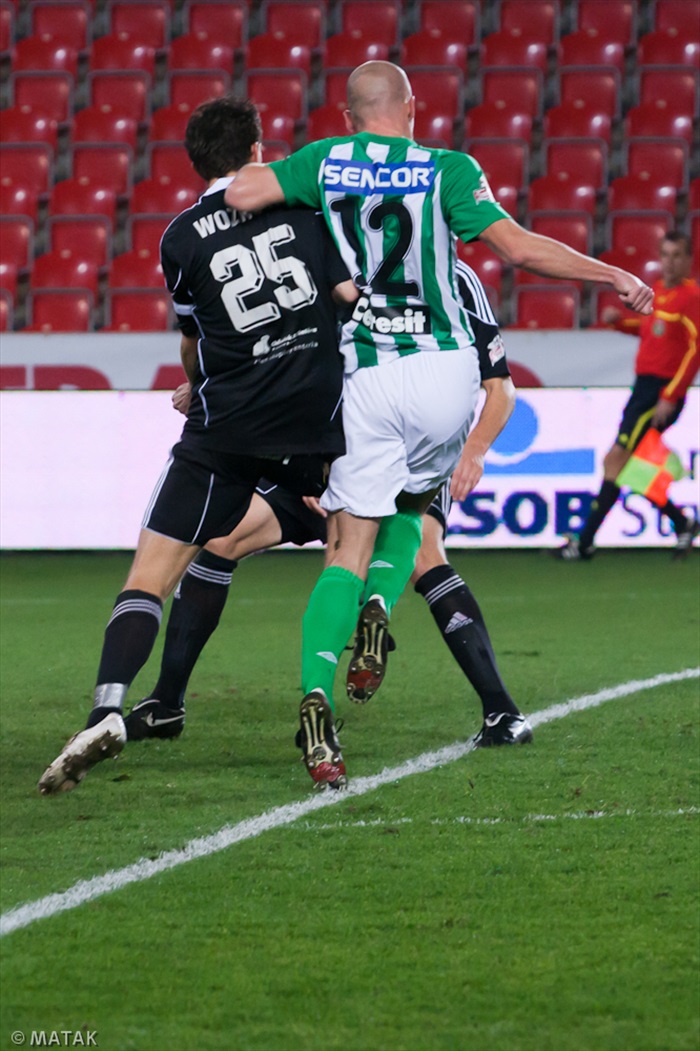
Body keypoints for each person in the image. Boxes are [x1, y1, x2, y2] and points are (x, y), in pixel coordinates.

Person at [225, 61, 653, 789]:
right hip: (444, 373)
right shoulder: (448, 169)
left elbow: (241, 193)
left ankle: (318, 696)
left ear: (349, 115)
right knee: (416, 510)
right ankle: (379, 607)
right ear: (412, 108)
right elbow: (519, 248)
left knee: (344, 546)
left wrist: (294, 183)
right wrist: (611, 274)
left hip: (367, 372)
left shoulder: (325, 160)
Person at [38, 96, 357, 795]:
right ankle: (333, 673)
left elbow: (195, 338)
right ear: (258, 150)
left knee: (150, 575)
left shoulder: (180, 237)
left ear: (195, 164)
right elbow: (347, 299)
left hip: (230, 429)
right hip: (317, 426)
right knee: (345, 548)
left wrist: (199, 382)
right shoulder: (304, 207)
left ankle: (107, 708)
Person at [125, 259, 530, 750]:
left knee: (315, 554)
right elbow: (499, 384)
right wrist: (474, 450)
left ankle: (198, 701)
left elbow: (286, 353)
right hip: (362, 446)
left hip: (351, 447)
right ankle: (499, 710)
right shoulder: (437, 272)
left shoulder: (343, 265)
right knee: (414, 553)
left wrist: (221, 391)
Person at [556, 231, 699, 561]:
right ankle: (683, 523)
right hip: (643, 389)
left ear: (688, 260)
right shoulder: (659, 291)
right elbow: (649, 330)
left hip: (659, 393)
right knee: (631, 467)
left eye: (677, 255)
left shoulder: (691, 297)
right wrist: (619, 323)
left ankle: (584, 542)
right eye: (665, 254)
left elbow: (696, 350)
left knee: (616, 460)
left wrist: (671, 395)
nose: (669, 262)